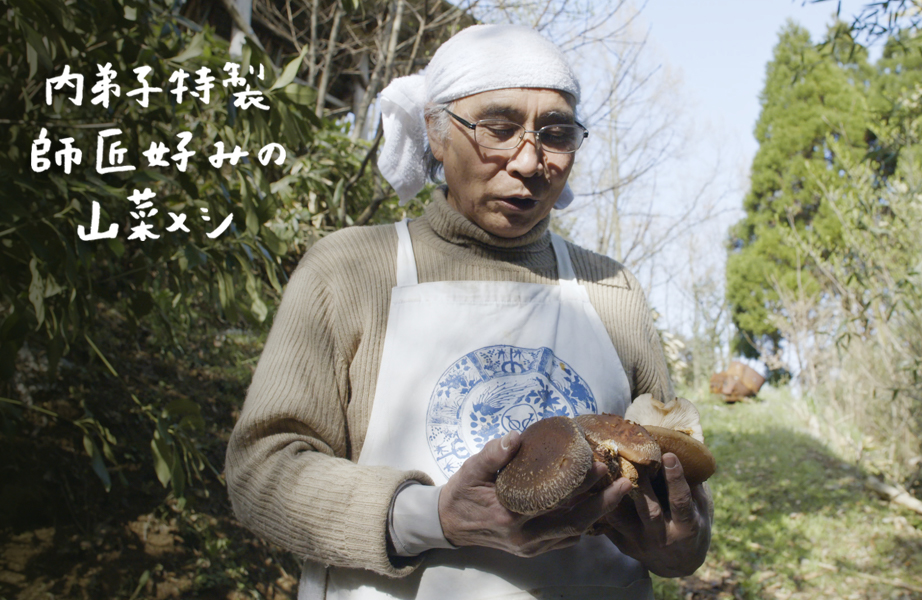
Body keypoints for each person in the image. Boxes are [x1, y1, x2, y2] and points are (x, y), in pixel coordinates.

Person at [225, 23, 713, 600]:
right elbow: (261, 470)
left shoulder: (611, 288)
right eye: (499, 128)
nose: (531, 162)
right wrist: (434, 517)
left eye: (555, 133)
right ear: (435, 132)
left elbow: (678, 498)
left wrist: (681, 542)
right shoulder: (351, 270)